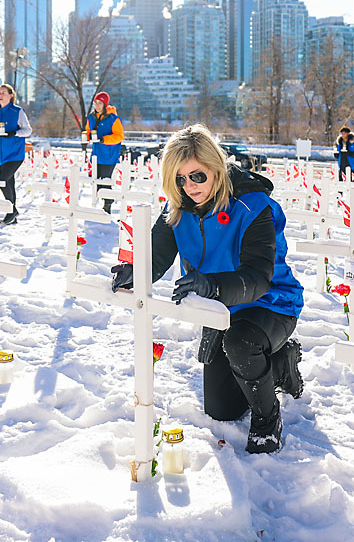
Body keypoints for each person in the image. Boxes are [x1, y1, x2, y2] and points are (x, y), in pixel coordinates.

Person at [110, 125, 304, 454]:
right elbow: (156, 257)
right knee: (222, 410)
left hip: (270, 303)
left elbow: (258, 278)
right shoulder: (177, 207)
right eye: (180, 179)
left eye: (197, 176)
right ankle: (275, 361)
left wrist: (210, 285)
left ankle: (268, 417)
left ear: (215, 168)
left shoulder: (253, 207)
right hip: (221, 307)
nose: (189, 187)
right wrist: (136, 272)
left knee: (241, 344)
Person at [0, 83, 32, 225]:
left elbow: (28, 130)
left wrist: (15, 133)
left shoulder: (17, 112)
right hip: (0, 154)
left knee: (2, 179)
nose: (0, 95)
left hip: (15, 154)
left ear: (11, 96)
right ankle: (13, 218)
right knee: (9, 183)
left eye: (4, 93)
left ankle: (11, 210)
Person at [85, 91, 124, 213]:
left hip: (109, 155)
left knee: (105, 180)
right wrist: (87, 138)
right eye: (95, 103)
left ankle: (108, 205)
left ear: (105, 104)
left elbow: (119, 136)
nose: (97, 106)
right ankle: (105, 201)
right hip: (96, 154)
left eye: (100, 103)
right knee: (95, 180)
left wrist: (104, 139)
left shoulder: (114, 119)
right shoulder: (91, 117)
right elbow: (88, 131)